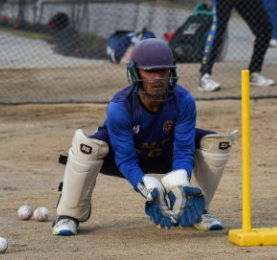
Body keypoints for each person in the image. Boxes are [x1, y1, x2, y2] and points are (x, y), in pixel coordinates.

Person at [51, 38, 237, 235]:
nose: (157, 77)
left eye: (163, 70)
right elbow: (125, 159)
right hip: (120, 159)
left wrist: (179, 186)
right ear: (135, 71)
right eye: (150, 71)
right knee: (87, 146)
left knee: (217, 143)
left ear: (171, 71)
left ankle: (197, 210)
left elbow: (183, 149)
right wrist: (147, 188)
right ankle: (68, 215)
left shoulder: (184, 101)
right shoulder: (120, 107)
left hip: (165, 154)